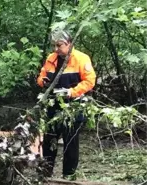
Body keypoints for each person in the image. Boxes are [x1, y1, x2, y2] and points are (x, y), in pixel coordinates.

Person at [36, 29, 96, 179]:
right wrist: (42, 81)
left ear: (69, 44)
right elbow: (42, 75)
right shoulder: (52, 58)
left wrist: (72, 92)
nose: (56, 49)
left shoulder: (81, 58)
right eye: (54, 45)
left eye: (59, 45)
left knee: (70, 143)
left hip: (73, 107)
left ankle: (68, 176)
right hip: (52, 106)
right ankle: (45, 174)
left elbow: (90, 81)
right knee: (49, 141)